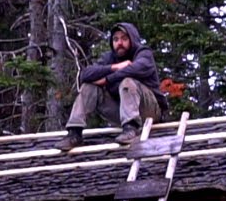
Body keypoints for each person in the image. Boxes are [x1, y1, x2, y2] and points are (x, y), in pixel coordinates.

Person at [57, 22, 165, 151]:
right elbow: (85, 74)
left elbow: (136, 68)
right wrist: (114, 67)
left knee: (127, 82)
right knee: (89, 87)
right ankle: (74, 132)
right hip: (120, 112)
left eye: (124, 39)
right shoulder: (109, 58)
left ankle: (131, 128)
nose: (119, 43)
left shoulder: (143, 53)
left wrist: (108, 79)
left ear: (132, 39)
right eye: (116, 39)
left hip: (149, 112)